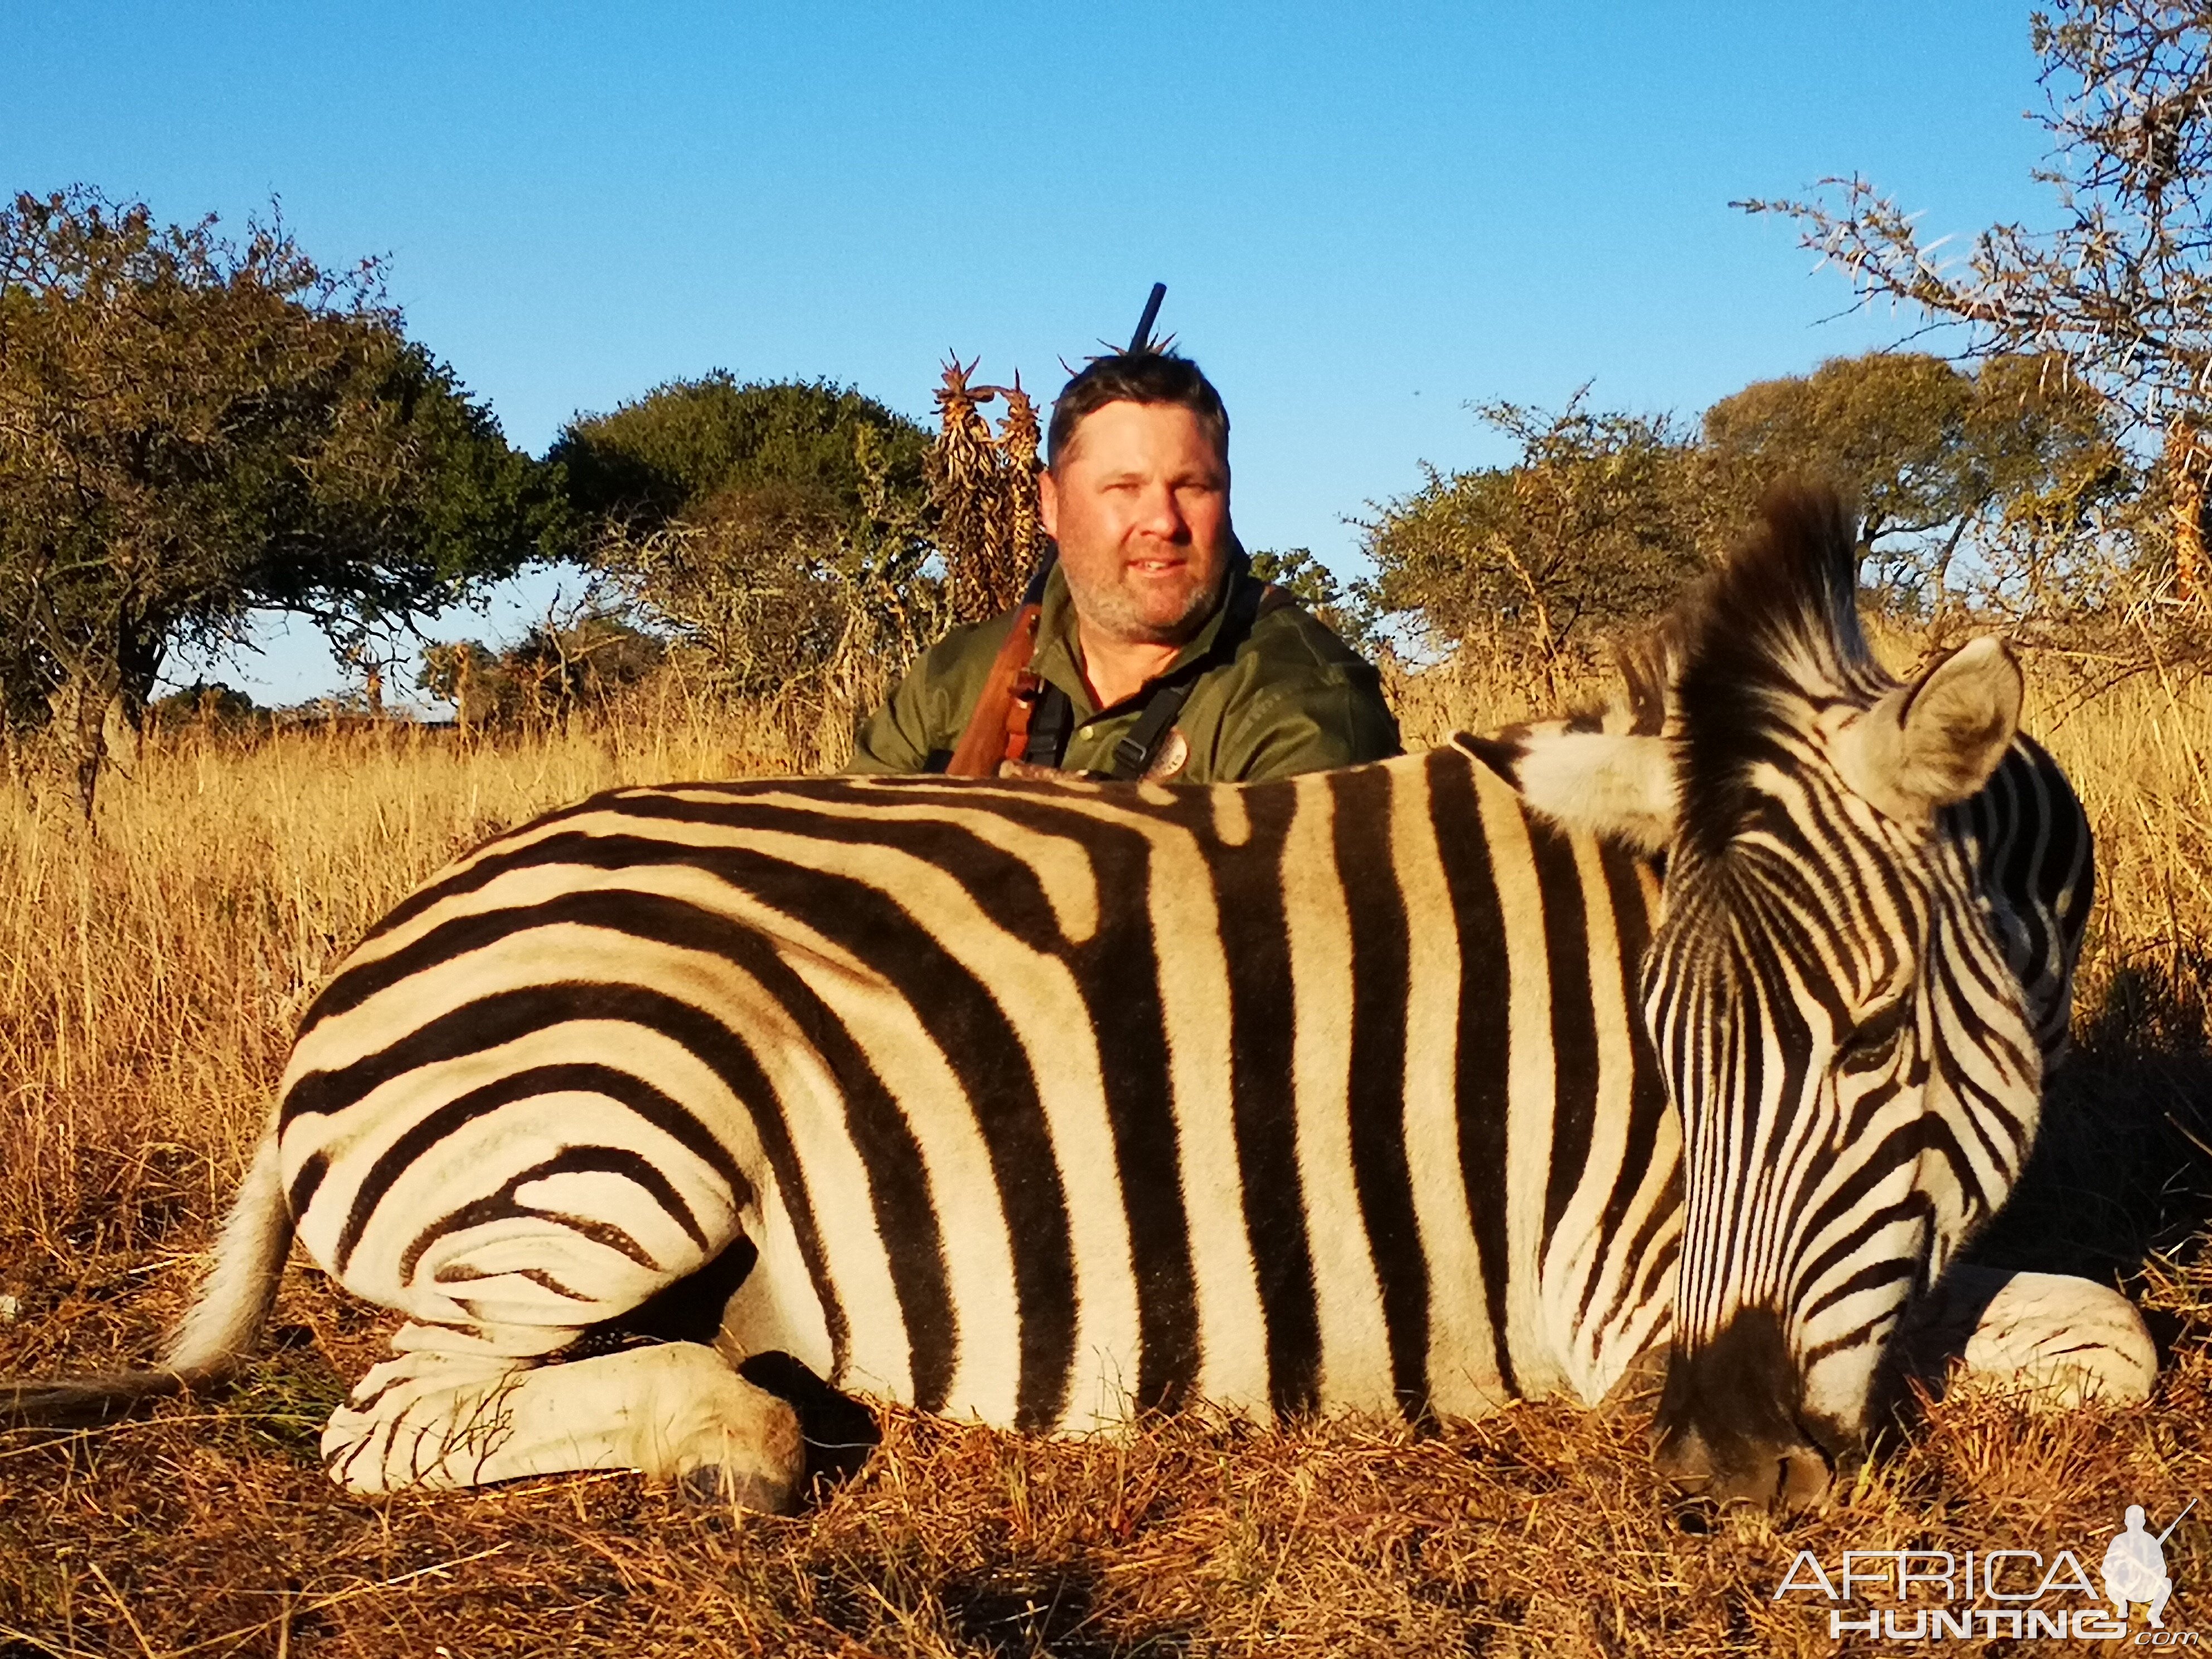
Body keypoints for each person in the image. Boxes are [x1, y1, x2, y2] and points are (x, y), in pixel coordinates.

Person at [846, 350, 1400, 783]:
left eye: (1192, 487)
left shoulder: (1304, 706)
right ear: (1051, 505)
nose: (1162, 521)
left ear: (1227, 497)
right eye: (1123, 488)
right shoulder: (954, 678)